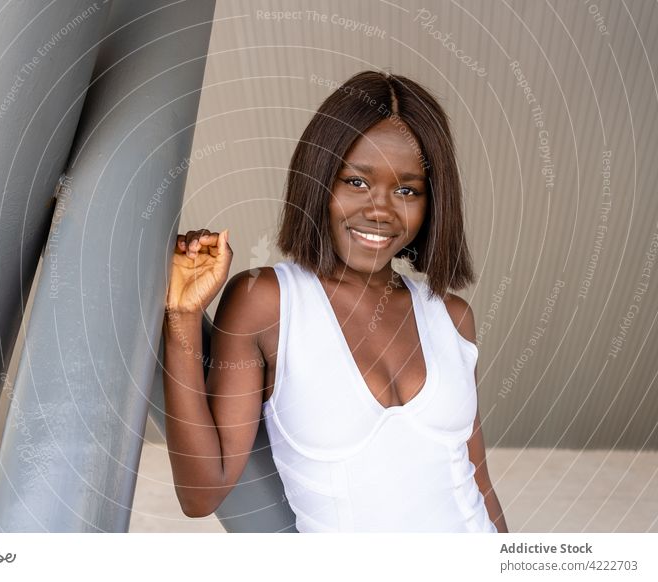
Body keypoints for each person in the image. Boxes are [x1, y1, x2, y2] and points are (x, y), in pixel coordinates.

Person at [162, 69, 508, 533]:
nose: (381, 209)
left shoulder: (451, 317)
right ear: (320, 180)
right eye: (356, 182)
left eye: (407, 190)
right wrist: (182, 317)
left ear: (432, 204)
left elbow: (479, 485)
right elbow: (202, 492)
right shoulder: (265, 303)